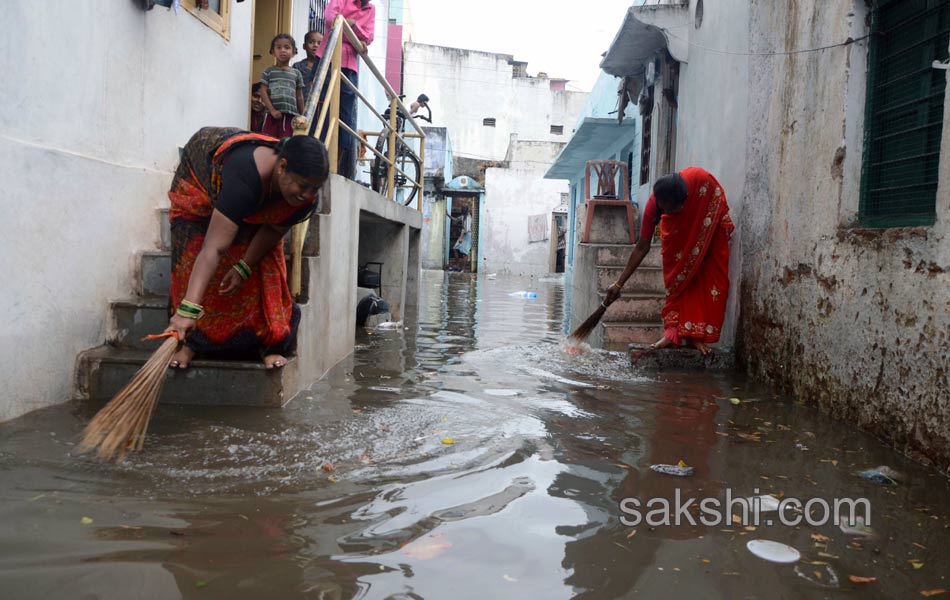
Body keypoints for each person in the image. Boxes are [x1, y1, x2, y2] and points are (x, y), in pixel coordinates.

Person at [164, 127, 329, 370]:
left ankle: (270, 343)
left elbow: (273, 230)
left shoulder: (305, 198)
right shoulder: (244, 176)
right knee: (193, 252)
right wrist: (188, 310)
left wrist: (243, 267)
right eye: (303, 186)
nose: (308, 195)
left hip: (250, 195)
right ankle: (186, 343)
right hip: (202, 181)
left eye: (315, 188)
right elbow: (213, 249)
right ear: (282, 167)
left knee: (267, 261)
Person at [604, 167, 734, 356]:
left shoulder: (697, 183)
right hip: (678, 243)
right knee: (677, 279)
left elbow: (714, 197)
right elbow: (642, 246)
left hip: (706, 218)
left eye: (682, 205)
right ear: (662, 203)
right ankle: (673, 332)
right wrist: (618, 283)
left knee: (712, 274)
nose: (680, 210)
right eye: (674, 208)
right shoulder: (652, 208)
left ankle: (695, 336)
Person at [316, 0, 375, 179]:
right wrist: (356, 36)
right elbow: (331, 22)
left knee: (344, 119)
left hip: (349, 68)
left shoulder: (371, 9)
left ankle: (331, 167)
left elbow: (369, 38)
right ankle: (314, 160)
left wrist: (351, 24)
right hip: (327, 58)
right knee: (320, 111)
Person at [259, 34, 305, 139]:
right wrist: (272, 110)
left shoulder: (296, 73)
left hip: (290, 117)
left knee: (287, 144)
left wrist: (303, 116)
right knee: (269, 142)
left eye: (287, 47)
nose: (282, 50)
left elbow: (299, 96)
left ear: (294, 52)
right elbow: (263, 91)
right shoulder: (269, 71)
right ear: (272, 51)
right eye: (278, 47)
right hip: (272, 116)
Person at [293, 30, 324, 105]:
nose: (315, 45)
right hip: (302, 107)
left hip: (322, 108)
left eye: (319, 43)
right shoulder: (297, 67)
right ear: (304, 46)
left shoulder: (327, 68)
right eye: (311, 42)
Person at [446, 206, 473, 270]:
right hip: (463, 235)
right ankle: (457, 265)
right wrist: (448, 215)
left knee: (465, 253)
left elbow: (466, 229)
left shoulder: (468, 218)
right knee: (455, 248)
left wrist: (461, 238)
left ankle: (463, 269)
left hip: (467, 235)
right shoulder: (463, 216)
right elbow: (455, 219)